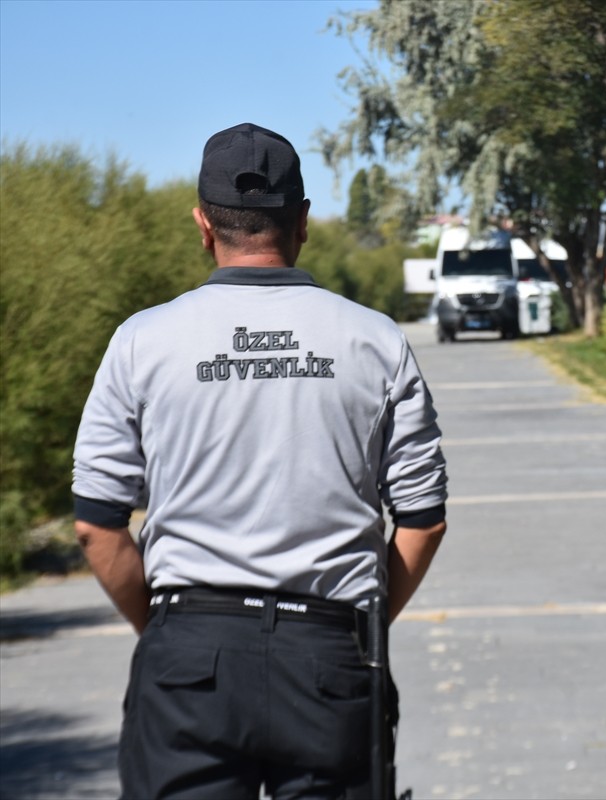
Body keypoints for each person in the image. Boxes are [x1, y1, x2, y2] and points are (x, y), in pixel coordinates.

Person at [72, 123, 448, 799]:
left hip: (189, 660)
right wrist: (356, 631)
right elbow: (423, 519)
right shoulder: (376, 341)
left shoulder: (141, 342)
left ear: (202, 224)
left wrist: (166, 633)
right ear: (302, 221)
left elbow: (97, 524)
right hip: (332, 661)